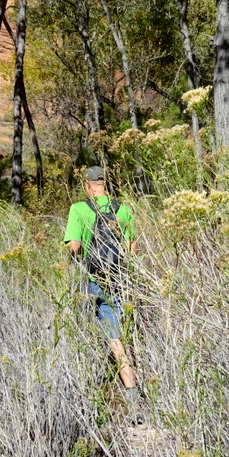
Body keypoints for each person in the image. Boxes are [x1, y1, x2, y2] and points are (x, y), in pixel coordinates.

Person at [64, 166, 143, 423]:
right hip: (117, 280)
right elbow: (133, 249)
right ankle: (130, 396)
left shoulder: (79, 209)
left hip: (90, 281)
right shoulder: (123, 208)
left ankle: (98, 396)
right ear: (105, 183)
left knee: (81, 335)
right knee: (117, 337)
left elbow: (73, 247)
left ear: (87, 185)